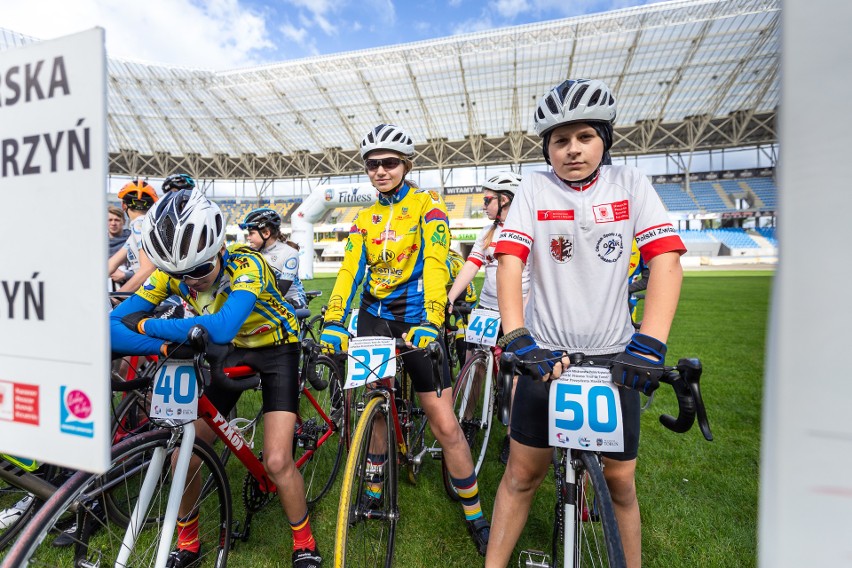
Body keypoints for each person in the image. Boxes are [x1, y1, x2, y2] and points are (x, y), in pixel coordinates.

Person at [485, 79, 686, 568]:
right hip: (545, 357)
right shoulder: (533, 186)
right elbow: (510, 260)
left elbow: (665, 260)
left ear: (604, 140)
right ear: (547, 147)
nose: (572, 149)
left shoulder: (631, 184)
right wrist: (517, 336)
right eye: (560, 140)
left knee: (619, 483)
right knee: (520, 475)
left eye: (585, 137)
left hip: (615, 357)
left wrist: (651, 342)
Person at [110, 189, 322, 568]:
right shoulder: (172, 273)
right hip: (233, 347)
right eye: (178, 276)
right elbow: (110, 327)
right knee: (183, 455)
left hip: (278, 347)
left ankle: (304, 542)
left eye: (199, 272)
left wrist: (144, 325)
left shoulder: (248, 265)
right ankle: (188, 541)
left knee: (276, 460)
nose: (190, 283)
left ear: (220, 248)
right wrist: (159, 348)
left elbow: (222, 327)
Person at [319, 123, 491, 556]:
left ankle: (474, 512)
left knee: (443, 420)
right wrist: (336, 320)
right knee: (374, 406)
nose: (380, 171)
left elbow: (436, 263)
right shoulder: (364, 217)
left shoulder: (428, 208)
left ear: (406, 165)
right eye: (373, 164)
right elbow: (351, 271)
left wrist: (433, 319)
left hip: (418, 319)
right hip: (375, 318)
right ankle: (374, 483)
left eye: (389, 163)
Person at [446, 171, 531, 466]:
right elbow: (471, 266)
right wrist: (450, 297)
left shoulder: (529, 229)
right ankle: (468, 421)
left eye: (487, 199)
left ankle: (512, 435)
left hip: (518, 313)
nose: (483, 205)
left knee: (514, 377)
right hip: (486, 308)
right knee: (473, 367)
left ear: (504, 200)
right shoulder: (487, 232)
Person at [240, 207, 308, 309]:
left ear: (266, 233)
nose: (248, 237)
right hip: (269, 301)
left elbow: (281, 290)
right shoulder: (252, 253)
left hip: (293, 300)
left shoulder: (290, 253)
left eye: (251, 233)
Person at [107, 180, 159, 295]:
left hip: (159, 297)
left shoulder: (139, 225)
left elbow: (148, 269)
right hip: (155, 294)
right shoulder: (141, 227)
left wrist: (117, 297)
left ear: (123, 205)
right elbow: (111, 264)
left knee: (113, 312)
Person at [108, 205, 131, 288]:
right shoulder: (99, 243)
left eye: (117, 220)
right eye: (110, 220)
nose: (113, 223)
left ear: (124, 221)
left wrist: (126, 275)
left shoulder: (133, 239)